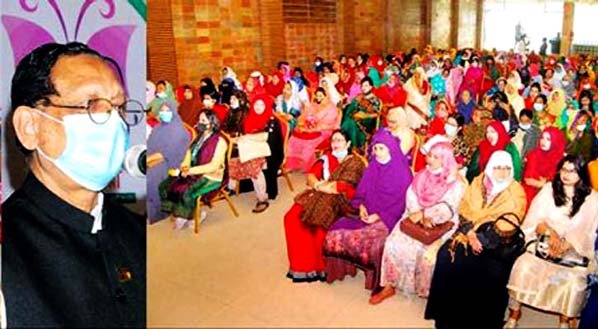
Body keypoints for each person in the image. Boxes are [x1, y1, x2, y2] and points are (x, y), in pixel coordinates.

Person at [3, 42, 145, 327]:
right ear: (30, 127)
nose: (112, 122)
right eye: (90, 105)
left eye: (117, 107)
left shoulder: (137, 230)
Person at [425, 151, 527, 329]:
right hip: (469, 233)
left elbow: (509, 223)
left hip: (497, 243)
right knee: (446, 257)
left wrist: (481, 239)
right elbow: (464, 207)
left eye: (506, 168)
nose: (502, 173)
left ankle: (478, 321)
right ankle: (447, 314)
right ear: (490, 167)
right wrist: (471, 234)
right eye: (497, 168)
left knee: (487, 270)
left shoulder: (516, 192)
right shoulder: (479, 181)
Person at [505, 155, 598, 329]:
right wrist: (551, 235)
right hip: (544, 243)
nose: (566, 174)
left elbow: (586, 231)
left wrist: (563, 245)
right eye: (563, 169)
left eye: (572, 171)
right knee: (523, 266)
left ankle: (564, 320)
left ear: (581, 173)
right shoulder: (549, 189)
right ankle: (514, 313)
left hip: (572, 251)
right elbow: (535, 220)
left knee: (573, 281)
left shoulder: (592, 199)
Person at [369, 142, 465, 304]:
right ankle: (389, 285)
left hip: (439, 224)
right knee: (393, 243)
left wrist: (426, 214)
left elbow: (449, 207)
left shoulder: (455, 182)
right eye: (430, 155)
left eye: (436, 157)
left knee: (426, 253)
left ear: (445, 160)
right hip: (414, 218)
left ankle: (424, 290)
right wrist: (418, 213)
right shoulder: (421, 175)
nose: (430, 160)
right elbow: (411, 196)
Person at [323, 130, 413, 291]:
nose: (377, 153)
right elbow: (362, 192)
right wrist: (362, 206)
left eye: (382, 149)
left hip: (389, 217)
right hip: (367, 213)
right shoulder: (373, 166)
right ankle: (343, 271)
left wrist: (378, 216)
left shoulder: (403, 172)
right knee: (335, 232)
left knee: (372, 244)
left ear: (391, 149)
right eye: (375, 148)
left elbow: (402, 205)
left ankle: (378, 283)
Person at [284, 130, 366, 282]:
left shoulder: (355, 163)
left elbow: (340, 187)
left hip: (341, 202)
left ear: (348, 143)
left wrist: (320, 186)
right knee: (291, 217)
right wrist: (318, 185)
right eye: (334, 140)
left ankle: (320, 267)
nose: (335, 144)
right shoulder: (326, 158)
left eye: (340, 140)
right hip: (320, 195)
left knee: (314, 221)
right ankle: (303, 267)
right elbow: (310, 177)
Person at [159, 110, 227, 229]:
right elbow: (189, 153)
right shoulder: (200, 137)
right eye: (199, 120)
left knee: (186, 191)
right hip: (194, 170)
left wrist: (190, 171)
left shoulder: (220, 142)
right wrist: (185, 166)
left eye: (203, 121)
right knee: (167, 184)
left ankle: (193, 215)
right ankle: (182, 212)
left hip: (211, 175)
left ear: (212, 124)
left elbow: (213, 166)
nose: (199, 123)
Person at [147, 100, 191, 223]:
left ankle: (158, 212)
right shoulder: (158, 127)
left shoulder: (178, 130)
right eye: (162, 110)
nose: (164, 113)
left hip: (171, 162)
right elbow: (150, 144)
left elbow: (167, 153)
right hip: (156, 157)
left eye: (167, 111)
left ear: (174, 112)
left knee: (151, 177)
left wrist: (148, 160)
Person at [286, 87, 340, 173]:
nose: (319, 98)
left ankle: (307, 165)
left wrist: (314, 129)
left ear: (327, 96)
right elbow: (303, 117)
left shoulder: (331, 108)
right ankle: (294, 164)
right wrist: (302, 125)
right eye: (317, 95)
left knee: (308, 142)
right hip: (310, 128)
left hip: (324, 131)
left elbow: (329, 125)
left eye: (321, 96)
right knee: (294, 138)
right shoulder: (313, 105)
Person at [521, 127, 566, 210]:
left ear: (556, 141)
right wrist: (541, 183)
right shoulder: (533, 154)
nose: (543, 142)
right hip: (528, 192)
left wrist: (543, 185)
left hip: (550, 197)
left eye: (548, 139)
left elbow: (562, 186)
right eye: (542, 138)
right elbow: (528, 179)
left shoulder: (562, 162)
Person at [341, 77, 382, 149]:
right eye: (362, 86)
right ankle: (346, 143)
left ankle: (354, 146)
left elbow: (377, 114)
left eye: (366, 85)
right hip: (355, 117)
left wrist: (365, 115)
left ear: (371, 87)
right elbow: (351, 109)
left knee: (350, 123)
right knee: (348, 120)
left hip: (367, 121)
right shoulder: (358, 97)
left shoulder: (375, 100)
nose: (363, 88)